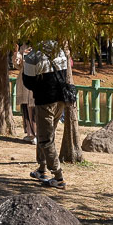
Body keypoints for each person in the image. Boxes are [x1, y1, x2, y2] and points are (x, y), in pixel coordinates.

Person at [21, 40, 73, 189]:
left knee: (45, 139)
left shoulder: (32, 56)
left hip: (44, 101)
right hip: (61, 99)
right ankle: (42, 169)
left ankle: (58, 177)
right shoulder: (60, 51)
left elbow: (28, 83)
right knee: (46, 134)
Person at [12, 42, 37, 144]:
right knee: (26, 107)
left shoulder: (40, 48)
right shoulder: (24, 47)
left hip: (36, 79)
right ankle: (29, 133)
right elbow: (18, 65)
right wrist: (16, 52)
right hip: (24, 80)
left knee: (35, 107)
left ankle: (37, 133)